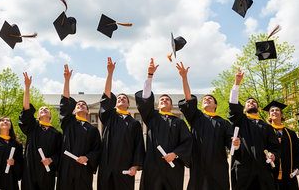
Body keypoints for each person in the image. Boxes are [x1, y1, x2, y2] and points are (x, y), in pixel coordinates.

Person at [176, 62, 240, 190]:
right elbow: (188, 99)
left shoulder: (223, 123)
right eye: (204, 99)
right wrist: (184, 78)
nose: (206, 99)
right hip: (198, 163)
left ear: (215, 105)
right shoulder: (196, 117)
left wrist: (236, 143)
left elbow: (230, 142)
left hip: (218, 165)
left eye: (210, 99)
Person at [135, 58, 192, 190]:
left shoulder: (179, 122)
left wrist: (175, 154)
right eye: (161, 99)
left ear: (172, 106)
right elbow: (145, 98)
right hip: (152, 165)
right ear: (157, 104)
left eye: (167, 100)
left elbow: (187, 142)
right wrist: (150, 75)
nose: (164, 100)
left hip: (173, 166)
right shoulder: (151, 117)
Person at [228, 67, 280, 190]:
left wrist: (273, 155)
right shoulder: (241, 120)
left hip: (263, 170)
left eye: (254, 102)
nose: (251, 102)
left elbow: (274, 146)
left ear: (258, 108)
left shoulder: (266, 126)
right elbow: (234, 105)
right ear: (244, 109)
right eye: (248, 102)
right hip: (244, 168)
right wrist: (237, 84)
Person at [98, 57, 145, 190]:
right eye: (119, 98)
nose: (122, 99)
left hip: (125, 166)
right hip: (107, 164)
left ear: (129, 104)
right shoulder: (109, 116)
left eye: (124, 98)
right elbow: (106, 97)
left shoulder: (134, 123)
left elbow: (138, 146)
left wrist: (135, 166)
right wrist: (110, 74)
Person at [57, 64, 101, 190]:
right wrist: (66, 80)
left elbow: (97, 149)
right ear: (74, 110)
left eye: (83, 105)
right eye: (78, 104)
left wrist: (87, 157)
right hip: (66, 167)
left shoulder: (93, 130)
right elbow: (65, 102)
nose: (81, 105)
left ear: (88, 111)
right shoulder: (68, 122)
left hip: (83, 168)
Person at [19, 72, 63, 190]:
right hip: (30, 170)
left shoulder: (57, 134)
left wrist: (51, 159)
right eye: (41, 109)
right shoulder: (33, 127)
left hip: (46, 172)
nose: (44, 109)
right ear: (37, 115)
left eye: (46, 109)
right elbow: (26, 109)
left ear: (50, 115)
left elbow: (59, 153)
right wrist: (27, 88)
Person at [264, 101, 299, 190]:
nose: (274, 112)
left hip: (289, 174)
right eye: (272, 111)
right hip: (271, 174)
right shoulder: (264, 132)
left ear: (282, 114)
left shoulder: (290, 133)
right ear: (269, 116)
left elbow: (298, 152)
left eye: (277, 110)